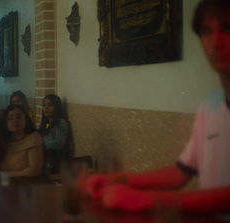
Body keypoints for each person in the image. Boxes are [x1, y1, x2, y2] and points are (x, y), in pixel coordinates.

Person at [80, 0, 230, 212]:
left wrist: (143, 200)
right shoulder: (210, 105)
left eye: (227, 29)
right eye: (207, 32)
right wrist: (115, 180)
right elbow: (180, 174)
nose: (216, 42)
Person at [0, 104, 43, 177]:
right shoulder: (3, 141)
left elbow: (34, 170)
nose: (15, 120)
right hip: (4, 183)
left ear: (26, 121)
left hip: (28, 183)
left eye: (19, 117)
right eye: (11, 118)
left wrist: (8, 175)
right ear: (6, 123)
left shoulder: (33, 138)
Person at [38, 94, 72, 159]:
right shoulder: (45, 123)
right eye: (44, 105)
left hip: (56, 159)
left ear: (56, 107)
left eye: (50, 105)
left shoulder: (61, 123)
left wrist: (40, 145)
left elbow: (58, 143)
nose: (46, 108)